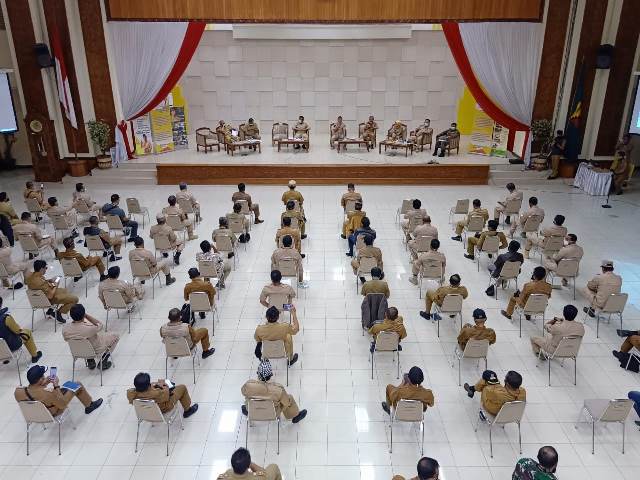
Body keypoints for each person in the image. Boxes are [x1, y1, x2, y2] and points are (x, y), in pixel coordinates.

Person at [15, 364, 102, 415]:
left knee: (66, 387)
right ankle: (89, 406)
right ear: (40, 379)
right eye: (43, 376)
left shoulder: (18, 392)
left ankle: (88, 403)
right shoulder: (48, 393)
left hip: (37, 414)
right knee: (77, 384)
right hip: (53, 412)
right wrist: (56, 385)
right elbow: (63, 404)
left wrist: (43, 384)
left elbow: (35, 393)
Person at [240, 359, 307, 423]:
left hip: (253, 411)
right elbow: (286, 403)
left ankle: (248, 411)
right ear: (270, 375)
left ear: (258, 373)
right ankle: (295, 416)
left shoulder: (248, 385)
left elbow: (243, 392)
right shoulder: (278, 389)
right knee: (289, 398)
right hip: (273, 414)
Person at [63, 304, 118, 370]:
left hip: (77, 351)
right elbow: (100, 324)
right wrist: (86, 315)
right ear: (83, 315)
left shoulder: (65, 329)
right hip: (95, 350)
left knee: (85, 338)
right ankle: (103, 361)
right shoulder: (89, 329)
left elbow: (66, 339)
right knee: (116, 336)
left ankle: (90, 360)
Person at [126, 372, 199, 417]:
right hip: (163, 408)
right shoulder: (157, 393)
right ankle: (187, 410)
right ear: (148, 385)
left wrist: (153, 386)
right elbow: (167, 392)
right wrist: (162, 384)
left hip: (146, 413)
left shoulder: (131, 393)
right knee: (182, 387)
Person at [0, 296, 42, 362]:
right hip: (11, 345)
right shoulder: (6, 318)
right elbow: (17, 331)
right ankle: (35, 356)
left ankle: (4, 358)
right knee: (27, 332)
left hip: (1, 349)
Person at [217, 447, 282, 480]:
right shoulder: (258, 477)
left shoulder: (223, 477)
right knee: (274, 466)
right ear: (248, 465)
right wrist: (251, 464)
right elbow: (265, 474)